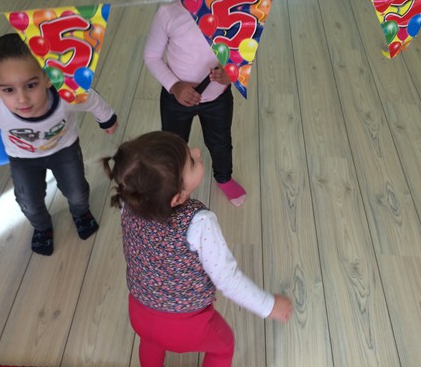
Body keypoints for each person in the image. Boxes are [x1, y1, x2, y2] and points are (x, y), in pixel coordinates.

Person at [103, 131, 293, 367]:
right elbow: (228, 279)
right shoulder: (199, 222)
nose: (197, 151)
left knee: (150, 342)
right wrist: (269, 306)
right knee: (224, 347)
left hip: (140, 313)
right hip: (187, 327)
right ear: (177, 198)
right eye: (192, 162)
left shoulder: (129, 201)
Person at [0, 33, 118, 256]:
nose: (22, 99)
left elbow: (91, 99)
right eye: (8, 89)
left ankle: (81, 213)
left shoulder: (66, 95)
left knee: (76, 190)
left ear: (48, 78)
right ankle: (41, 227)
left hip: (64, 149)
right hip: (22, 159)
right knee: (28, 200)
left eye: (31, 85)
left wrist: (107, 119)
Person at [144, 0, 247, 207]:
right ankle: (172, 182)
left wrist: (231, 71)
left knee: (220, 142)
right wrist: (175, 86)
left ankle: (223, 177)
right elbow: (151, 56)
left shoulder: (232, 11)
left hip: (218, 97)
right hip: (177, 98)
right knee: (173, 145)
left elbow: (242, 51)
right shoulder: (168, 15)